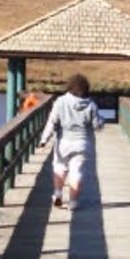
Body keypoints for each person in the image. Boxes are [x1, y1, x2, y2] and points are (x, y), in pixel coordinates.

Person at [39, 73, 103, 211]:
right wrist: (101, 123)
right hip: (82, 143)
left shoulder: (60, 102)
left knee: (60, 168)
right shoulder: (91, 104)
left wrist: (44, 140)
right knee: (76, 172)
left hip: (63, 142)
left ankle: (57, 195)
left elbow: (52, 122)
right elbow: (97, 125)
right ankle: (73, 203)